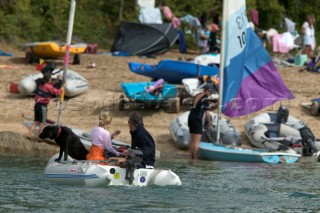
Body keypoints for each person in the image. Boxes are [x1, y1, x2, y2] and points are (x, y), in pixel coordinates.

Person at [27, 72, 64, 140]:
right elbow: (56, 92)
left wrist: (56, 80)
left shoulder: (42, 84)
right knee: (42, 123)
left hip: (37, 105)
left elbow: (50, 85)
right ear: (49, 79)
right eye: (51, 79)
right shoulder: (49, 87)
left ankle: (29, 135)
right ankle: (40, 138)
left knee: (36, 122)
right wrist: (62, 88)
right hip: (42, 107)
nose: (51, 80)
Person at [188, 84, 214, 160]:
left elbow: (196, 106)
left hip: (191, 117)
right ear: (207, 91)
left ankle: (191, 157)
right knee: (197, 141)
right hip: (197, 119)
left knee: (192, 139)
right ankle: (195, 159)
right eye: (210, 92)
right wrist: (209, 122)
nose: (211, 94)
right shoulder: (205, 99)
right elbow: (207, 113)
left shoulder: (197, 95)